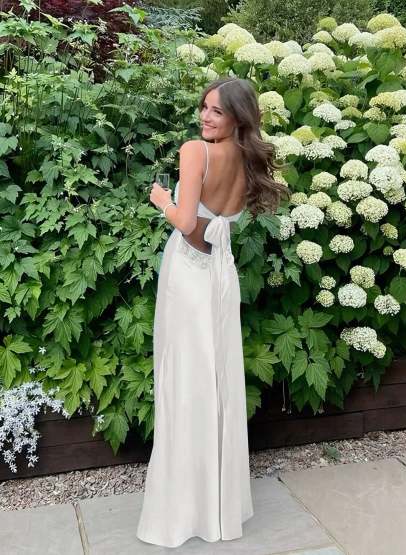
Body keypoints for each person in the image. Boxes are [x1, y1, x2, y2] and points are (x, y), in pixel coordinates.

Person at [136, 77, 289, 548]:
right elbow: (217, 223)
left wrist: (163, 200)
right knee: (216, 379)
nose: (205, 116)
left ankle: (183, 509)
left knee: (185, 380)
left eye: (216, 111)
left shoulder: (195, 151)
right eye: (204, 107)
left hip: (188, 273)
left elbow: (186, 223)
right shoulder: (246, 159)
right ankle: (216, 507)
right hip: (220, 274)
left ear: (237, 117)